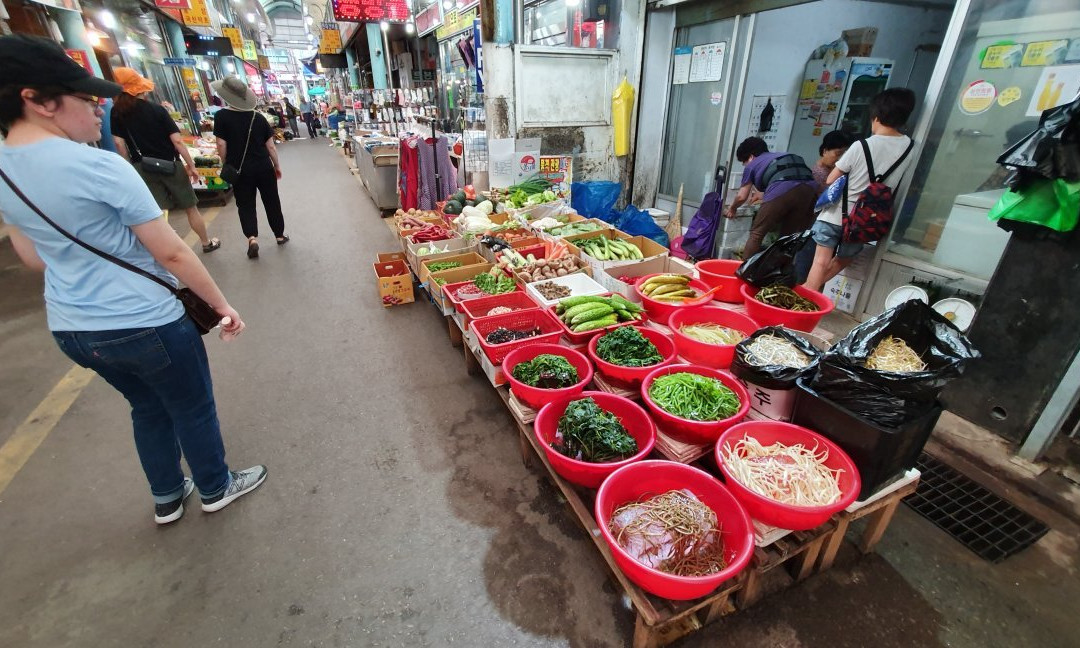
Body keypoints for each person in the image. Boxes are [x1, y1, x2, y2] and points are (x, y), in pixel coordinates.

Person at [0, 34, 266, 525]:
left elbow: (34, 258)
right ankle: (216, 486)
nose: (99, 108)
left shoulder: (4, 173)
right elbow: (171, 252)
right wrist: (222, 306)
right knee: (192, 406)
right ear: (38, 101)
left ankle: (168, 496)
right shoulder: (99, 166)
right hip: (145, 320)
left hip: (73, 329)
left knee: (146, 406)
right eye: (85, 98)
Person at [805, 88, 917, 291]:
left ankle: (806, 295)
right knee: (844, 258)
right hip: (866, 220)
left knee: (820, 261)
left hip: (836, 214)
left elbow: (831, 179)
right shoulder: (911, 148)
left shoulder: (861, 145)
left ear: (876, 117)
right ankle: (809, 291)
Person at [109, 67, 220, 253]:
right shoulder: (157, 110)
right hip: (171, 165)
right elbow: (177, 141)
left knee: (158, 213)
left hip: (142, 167)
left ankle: (169, 251)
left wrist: (129, 168)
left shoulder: (116, 113)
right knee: (190, 208)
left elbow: (119, 144)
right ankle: (206, 242)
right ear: (141, 89)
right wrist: (191, 165)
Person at [211, 76, 288, 258]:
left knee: (245, 204)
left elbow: (221, 144)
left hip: (240, 170)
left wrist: (227, 163)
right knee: (272, 201)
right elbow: (270, 146)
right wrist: (276, 165)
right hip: (263, 167)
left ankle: (252, 239)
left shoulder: (221, 116)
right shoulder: (258, 117)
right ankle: (279, 235)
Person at [726, 137, 818, 258]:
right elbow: (792, 181)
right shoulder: (780, 156)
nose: (745, 165)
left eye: (744, 162)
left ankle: (743, 267)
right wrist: (763, 194)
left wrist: (732, 208)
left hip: (784, 188)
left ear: (751, 157)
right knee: (788, 237)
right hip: (810, 190)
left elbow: (742, 196)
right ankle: (779, 268)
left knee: (757, 234)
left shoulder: (752, 165)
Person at [812, 130, 855, 194]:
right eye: (838, 154)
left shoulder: (832, 169)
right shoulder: (819, 174)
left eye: (845, 155)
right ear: (825, 151)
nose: (841, 159)